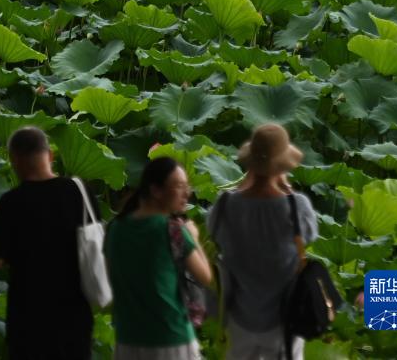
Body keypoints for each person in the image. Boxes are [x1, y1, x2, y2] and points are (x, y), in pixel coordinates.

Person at [208, 124, 318, 360]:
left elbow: (214, 233)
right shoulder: (296, 206)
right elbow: (308, 237)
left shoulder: (225, 205)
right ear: (282, 166)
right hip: (286, 316)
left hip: (239, 316)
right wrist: (288, 190)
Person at [0, 126, 94, 360]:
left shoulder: (10, 203)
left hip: (28, 318)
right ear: (50, 155)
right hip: (74, 314)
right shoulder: (80, 192)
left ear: (14, 160)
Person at [105, 156, 213, 360]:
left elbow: (111, 277)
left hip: (128, 339)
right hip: (171, 338)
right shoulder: (173, 230)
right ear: (156, 190)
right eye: (179, 186)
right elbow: (205, 276)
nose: (187, 193)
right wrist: (194, 237)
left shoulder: (116, 228)